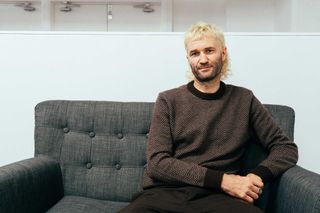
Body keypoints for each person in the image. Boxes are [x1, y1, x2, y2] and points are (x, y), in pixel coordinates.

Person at [119, 22, 298, 213]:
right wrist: (223, 180)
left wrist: (256, 176)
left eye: (209, 50)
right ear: (188, 58)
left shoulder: (244, 100)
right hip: (167, 194)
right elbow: (157, 163)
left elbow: (285, 148)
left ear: (223, 53)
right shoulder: (168, 100)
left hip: (219, 198)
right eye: (195, 53)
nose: (202, 59)